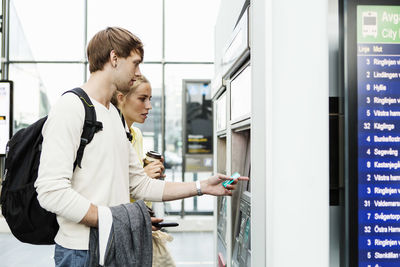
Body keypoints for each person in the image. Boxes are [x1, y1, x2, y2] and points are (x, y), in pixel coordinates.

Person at [34, 26, 247, 267]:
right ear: (114, 58)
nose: (137, 73)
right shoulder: (71, 107)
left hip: (116, 245)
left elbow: (140, 184)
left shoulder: (114, 115)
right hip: (81, 253)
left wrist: (201, 187)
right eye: (135, 63)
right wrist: (113, 219)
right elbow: (50, 191)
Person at [111, 75, 175, 266]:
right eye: (142, 99)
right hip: (119, 233)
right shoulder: (109, 136)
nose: (149, 106)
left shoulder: (136, 135)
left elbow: (137, 185)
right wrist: (143, 177)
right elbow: (107, 191)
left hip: (138, 227)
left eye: (150, 99)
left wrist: (151, 177)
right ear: (121, 98)